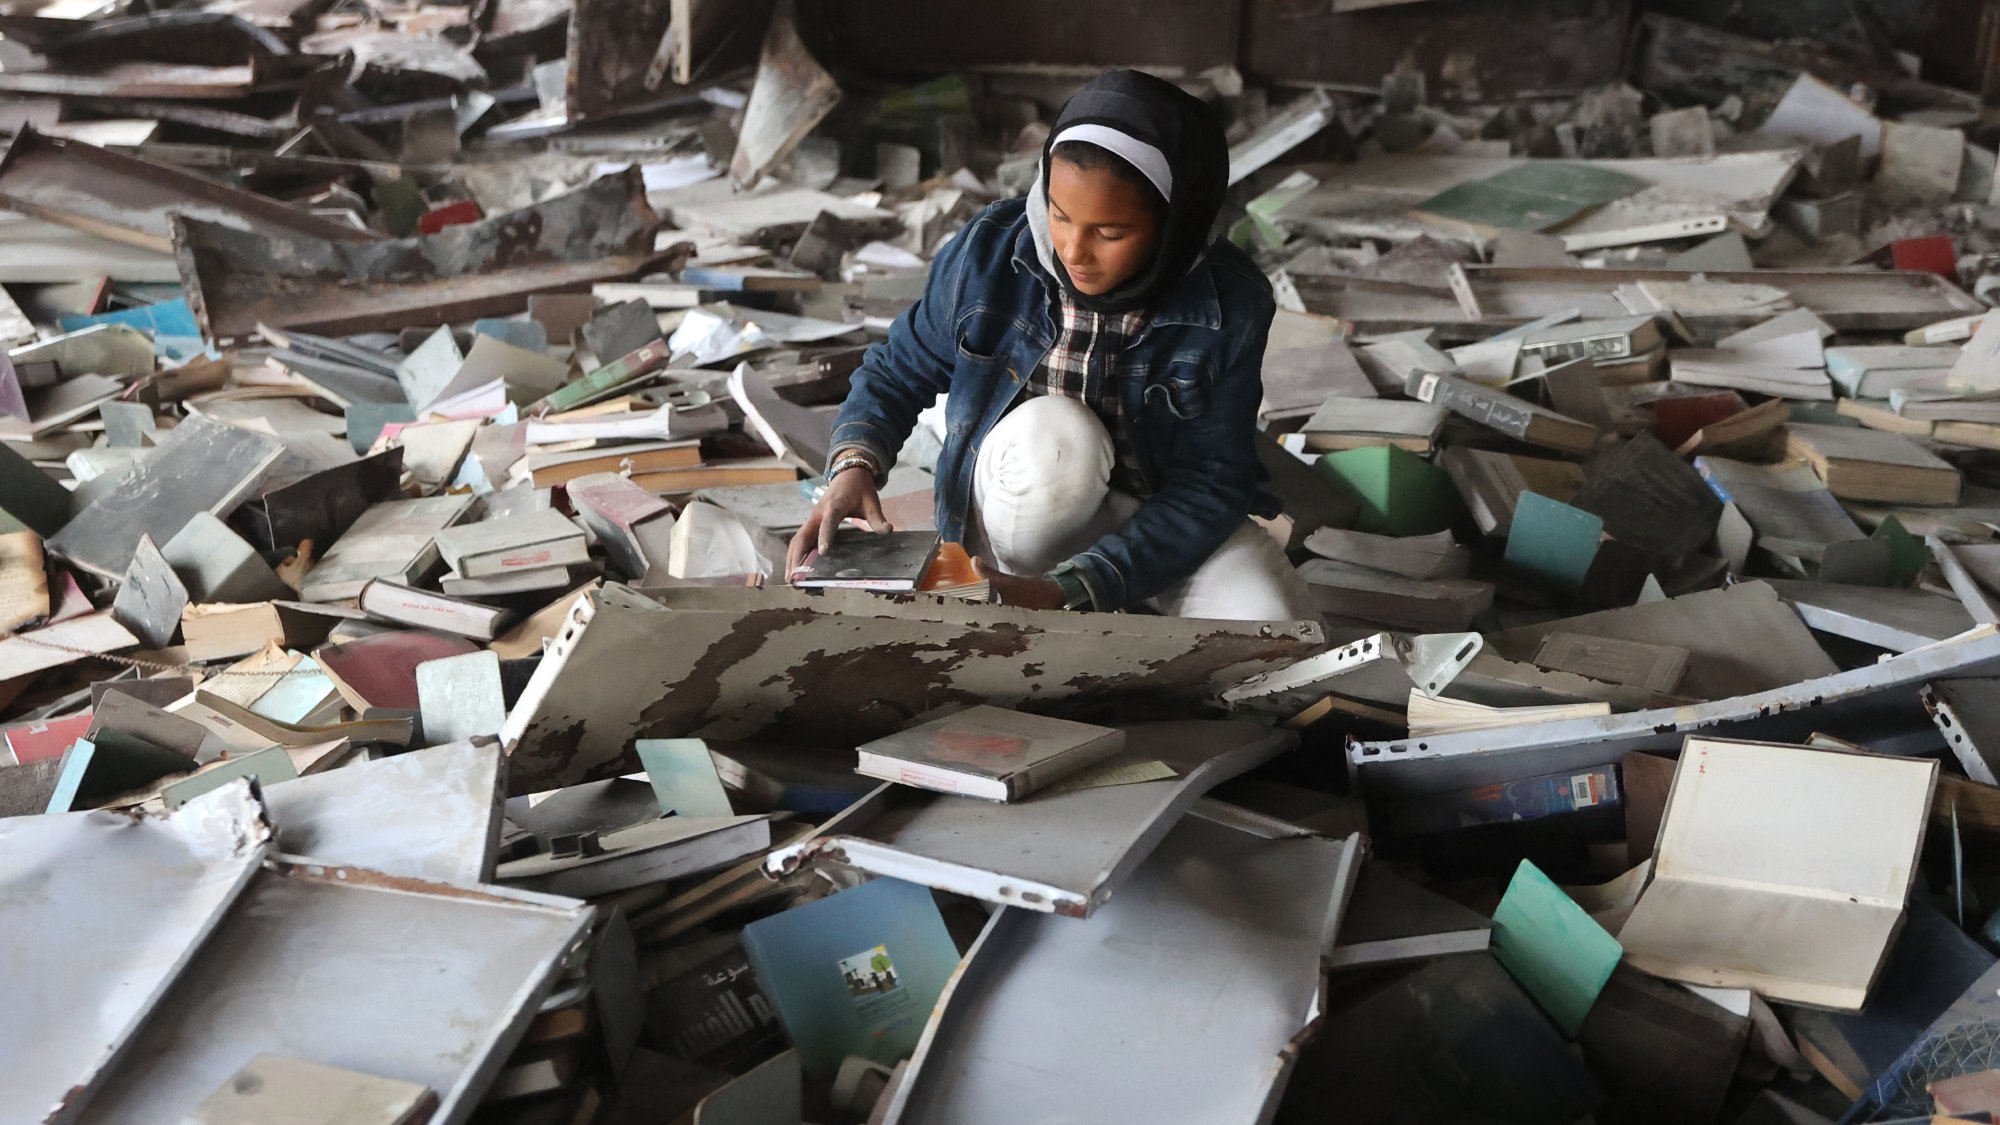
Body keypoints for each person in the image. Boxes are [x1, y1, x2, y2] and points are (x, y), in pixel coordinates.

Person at [788, 69, 1317, 621]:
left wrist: (1077, 584)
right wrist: (853, 466)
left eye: (1110, 233)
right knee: (1060, 442)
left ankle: (1075, 602)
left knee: (1274, 631)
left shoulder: (1228, 302)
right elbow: (898, 370)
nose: (1073, 249)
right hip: (1025, 503)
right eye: (1059, 215)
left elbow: (1210, 484)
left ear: (1175, 223)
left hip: (1152, 523)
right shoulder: (991, 251)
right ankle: (1017, 594)